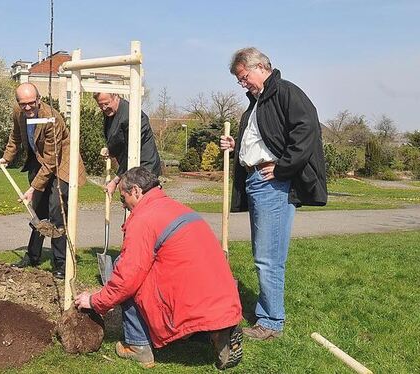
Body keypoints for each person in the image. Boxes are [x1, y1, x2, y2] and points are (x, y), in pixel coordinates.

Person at [74, 167, 243, 370]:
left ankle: (138, 346)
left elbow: (127, 278)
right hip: (219, 299)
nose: (124, 205)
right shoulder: (178, 208)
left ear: (136, 191)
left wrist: (95, 301)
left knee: (126, 270)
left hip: (188, 301)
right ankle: (215, 330)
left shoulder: (144, 218)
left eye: (123, 198)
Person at [220, 47, 327, 340]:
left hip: (273, 184)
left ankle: (271, 322)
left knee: (269, 257)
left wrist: (282, 168)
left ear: (261, 67)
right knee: (262, 254)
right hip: (257, 181)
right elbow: (263, 139)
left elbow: (306, 132)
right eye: (239, 80)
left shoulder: (286, 93)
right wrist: (236, 144)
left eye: (244, 77)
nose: (243, 84)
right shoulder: (257, 102)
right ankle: (268, 315)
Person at [0, 83, 86, 279]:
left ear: (38, 99)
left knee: (56, 213)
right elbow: (16, 135)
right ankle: (33, 256)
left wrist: (33, 188)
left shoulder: (53, 119)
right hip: (39, 161)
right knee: (37, 212)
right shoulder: (19, 112)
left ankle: (60, 263)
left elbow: (52, 161)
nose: (27, 108)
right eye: (22, 104)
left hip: (62, 165)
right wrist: (7, 157)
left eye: (30, 103)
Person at [93, 92, 161, 196]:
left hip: (144, 168)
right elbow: (117, 138)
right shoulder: (110, 113)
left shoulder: (131, 116)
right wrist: (110, 150)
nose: (104, 108)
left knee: (136, 201)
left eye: (106, 103)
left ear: (116, 96)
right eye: (100, 105)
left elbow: (129, 151)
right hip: (129, 166)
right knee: (127, 200)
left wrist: (115, 181)